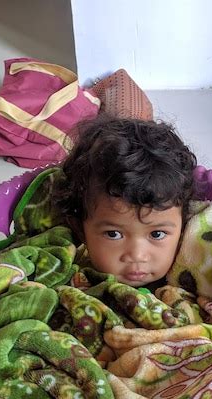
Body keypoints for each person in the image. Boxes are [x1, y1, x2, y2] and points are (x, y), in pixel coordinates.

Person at [53, 115, 197, 288]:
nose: (137, 255)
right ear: (80, 229)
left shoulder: (198, 272)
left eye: (157, 234)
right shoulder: (64, 274)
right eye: (114, 234)